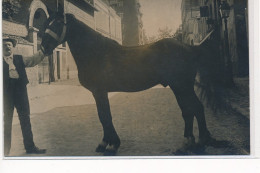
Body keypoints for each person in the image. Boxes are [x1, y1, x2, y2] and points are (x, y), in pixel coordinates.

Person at [3, 36, 47, 156]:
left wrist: (43, 51)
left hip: (21, 93)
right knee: (6, 122)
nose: (7, 47)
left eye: (9, 45)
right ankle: (5, 151)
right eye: (4, 45)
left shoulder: (20, 58)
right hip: (6, 96)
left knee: (25, 120)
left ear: (13, 47)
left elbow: (33, 60)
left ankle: (30, 147)